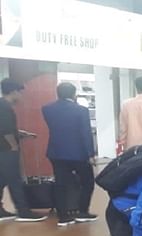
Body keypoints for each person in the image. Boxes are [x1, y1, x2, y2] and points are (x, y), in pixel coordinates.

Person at [41, 82, 97, 226]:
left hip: (56, 152)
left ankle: (63, 216)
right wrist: (91, 153)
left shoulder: (47, 109)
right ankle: (82, 211)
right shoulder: (81, 110)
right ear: (73, 94)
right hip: (78, 153)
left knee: (61, 184)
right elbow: (85, 133)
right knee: (87, 181)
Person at [0, 78, 47, 222]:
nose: (22, 96)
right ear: (14, 91)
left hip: (2, 149)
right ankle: (23, 211)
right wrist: (13, 147)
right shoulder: (5, 107)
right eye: (20, 92)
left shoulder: (2, 105)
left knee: (1, 180)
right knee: (15, 180)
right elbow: (5, 130)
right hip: (6, 150)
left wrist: (22, 133)